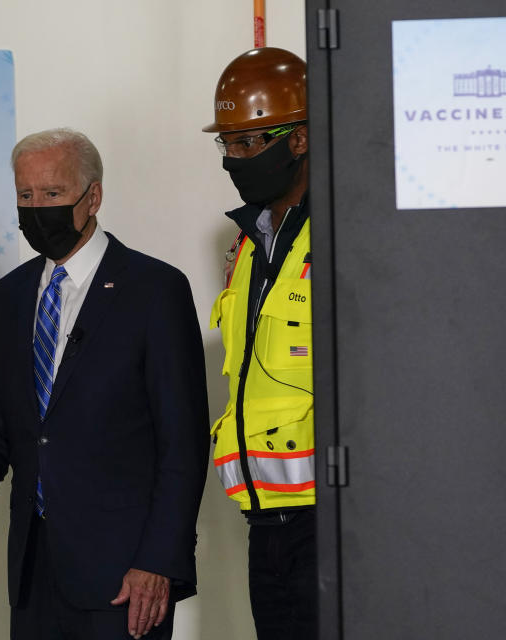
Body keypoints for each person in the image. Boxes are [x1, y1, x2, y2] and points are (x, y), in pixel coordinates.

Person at [0, 128, 209, 640]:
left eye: (51, 194)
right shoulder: (8, 298)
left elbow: (184, 442)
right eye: (25, 196)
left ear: (92, 196)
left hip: (126, 576)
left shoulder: (155, 290)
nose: (35, 208)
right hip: (34, 571)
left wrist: (158, 561)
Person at [203, 48, 316, 639]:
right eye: (227, 145)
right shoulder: (249, 246)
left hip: (333, 520)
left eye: (248, 143)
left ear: (298, 139)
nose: (234, 161)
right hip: (262, 517)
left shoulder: (345, 232)